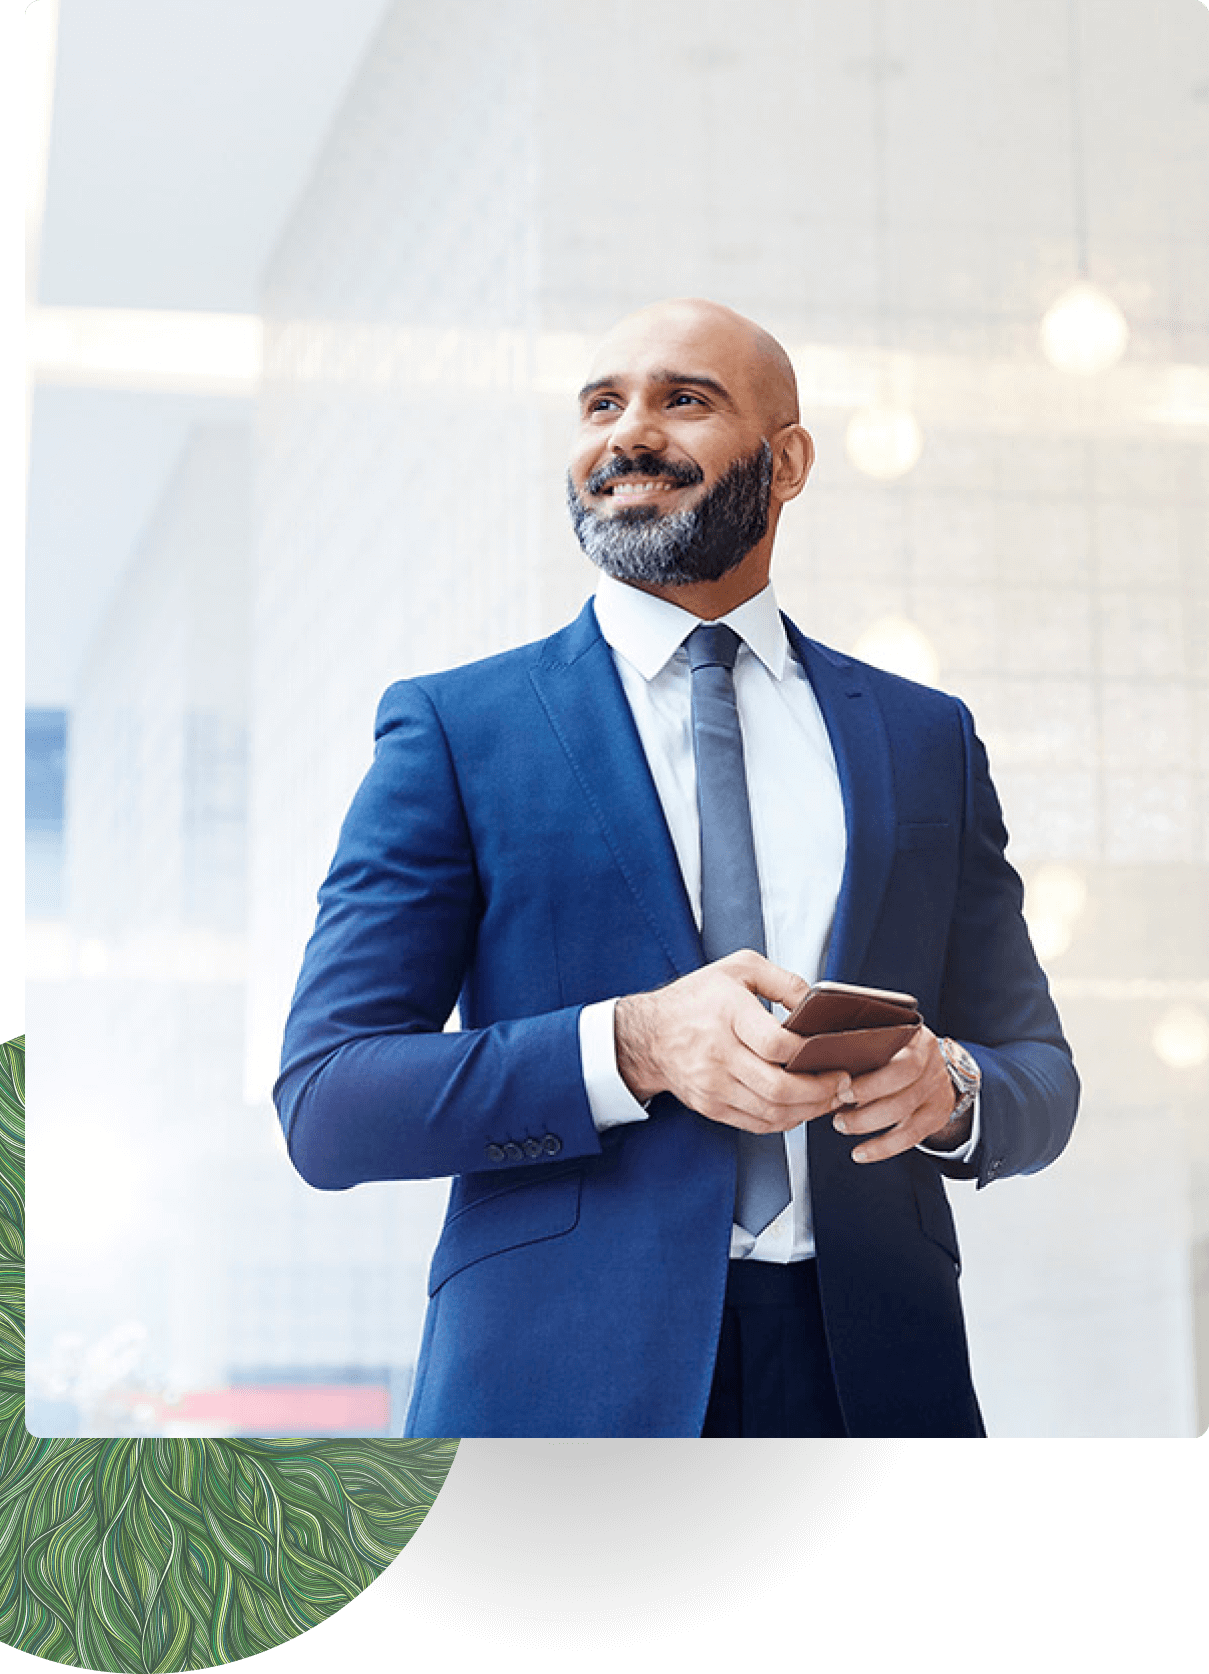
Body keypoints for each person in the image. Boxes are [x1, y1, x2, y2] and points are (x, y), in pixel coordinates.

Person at [275, 297, 1079, 1438]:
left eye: (682, 400)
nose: (627, 433)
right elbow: (330, 1102)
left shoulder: (924, 737)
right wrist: (635, 1046)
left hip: (875, 1371)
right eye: (602, 404)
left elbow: (1040, 1073)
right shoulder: (459, 728)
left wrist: (954, 1093)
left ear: (787, 460)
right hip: (557, 1384)